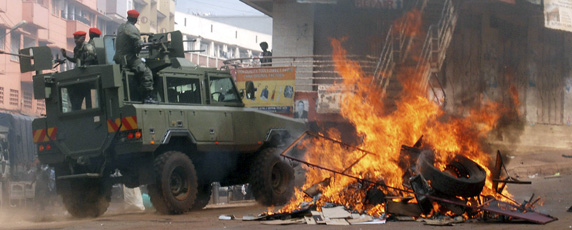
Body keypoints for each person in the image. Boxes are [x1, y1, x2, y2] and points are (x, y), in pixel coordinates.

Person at [114, 9, 156, 103]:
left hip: (118, 57)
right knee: (147, 72)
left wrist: (144, 34)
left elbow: (128, 35)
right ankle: (147, 97)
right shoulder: (134, 29)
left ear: (128, 17)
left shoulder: (121, 27)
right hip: (128, 58)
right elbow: (138, 46)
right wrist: (147, 44)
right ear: (136, 20)